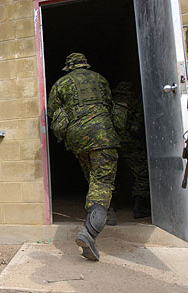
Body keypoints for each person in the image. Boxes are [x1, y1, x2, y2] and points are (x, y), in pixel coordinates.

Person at [47, 53, 120, 261]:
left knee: (93, 177)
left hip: (78, 138)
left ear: (69, 67)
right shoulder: (101, 79)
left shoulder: (61, 84)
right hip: (103, 136)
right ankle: (89, 232)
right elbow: (109, 104)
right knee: (103, 181)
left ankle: (107, 212)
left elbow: (52, 111)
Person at [106, 81, 151, 225]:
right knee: (142, 173)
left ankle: (112, 204)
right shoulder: (133, 102)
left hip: (110, 142)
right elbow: (136, 127)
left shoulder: (110, 102)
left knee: (111, 173)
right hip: (129, 143)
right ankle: (140, 206)